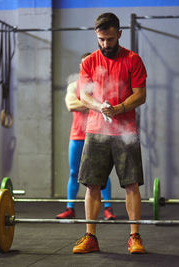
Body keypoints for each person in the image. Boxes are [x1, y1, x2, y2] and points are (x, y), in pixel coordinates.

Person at [72, 13, 147, 254]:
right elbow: (84, 96)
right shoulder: (89, 63)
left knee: (131, 185)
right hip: (96, 131)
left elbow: (140, 94)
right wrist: (100, 107)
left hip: (126, 132)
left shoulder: (133, 60)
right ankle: (90, 237)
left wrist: (120, 108)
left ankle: (134, 237)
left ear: (119, 34)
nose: (106, 44)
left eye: (110, 39)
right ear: (96, 35)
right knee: (92, 185)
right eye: (102, 39)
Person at [56, 53, 116, 220]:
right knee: (74, 172)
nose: (85, 67)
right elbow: (70, 105)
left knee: (102, 174)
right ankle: (70, 208)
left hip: (98, 134)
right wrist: (94, 104)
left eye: (88, 64)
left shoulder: (101, 85)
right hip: (77, 135)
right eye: (83, 64)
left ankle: (108, 209)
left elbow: (107, 106)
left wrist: (89, 104)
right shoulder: (74, 86)